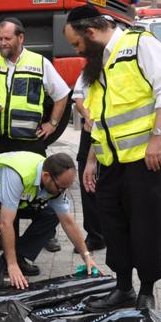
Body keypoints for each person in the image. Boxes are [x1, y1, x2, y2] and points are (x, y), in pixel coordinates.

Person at [64, 5, 161, 311]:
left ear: (90, 32)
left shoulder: (142, 44)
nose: (77, 51)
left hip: (145, 157)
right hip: (109, 160)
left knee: (146, 224)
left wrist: (158, 138)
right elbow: (98, 117)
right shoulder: (97, 62)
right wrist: (91, 159)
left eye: (77, 44)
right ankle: (123, 287)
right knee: (113, 225)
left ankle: (146, 290)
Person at [0, 18, 72, 253]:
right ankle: (7, 235)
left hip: (29, 142)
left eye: (8, 39)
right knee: (0, 190)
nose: (3, 43)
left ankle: (47, 233)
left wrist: (52, 123)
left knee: (45, 187)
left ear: (21, 38)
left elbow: (62, 94)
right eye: (0, 39)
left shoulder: (39, 63)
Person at [0, 151, 99, 289]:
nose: (62, 192)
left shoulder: (54, 183)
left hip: (10, 200)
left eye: (66, 189)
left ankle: (19, 257)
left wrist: (86, 256)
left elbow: (68, 221)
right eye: (61, 188)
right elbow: (5, 223)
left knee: (52, 213)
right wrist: (11, 264)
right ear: (46, 176)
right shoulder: (19, 175)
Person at [73, 91, 106, 254]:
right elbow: (79, 96)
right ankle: (95, 235)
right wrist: (88, 116)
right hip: (91, 131)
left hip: (116, 134)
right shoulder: (88, 71)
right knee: (88, 186)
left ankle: (111, 233)